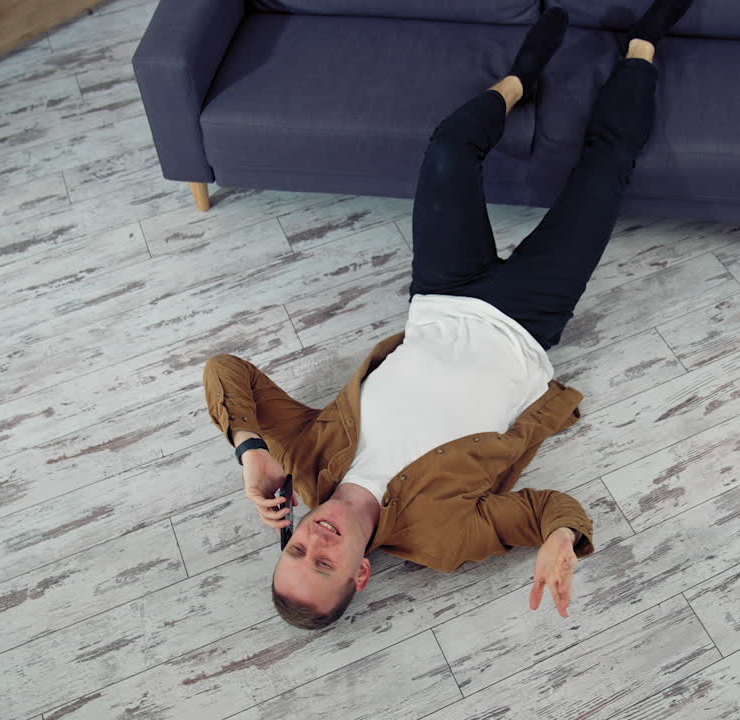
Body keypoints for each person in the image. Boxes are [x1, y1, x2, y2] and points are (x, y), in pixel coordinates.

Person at [204, 0, 692, 631]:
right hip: (526, 319)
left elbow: (226, 370)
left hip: (441, 294)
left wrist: (249, 451)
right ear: (360, 573)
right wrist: (561, 539)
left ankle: (522, 78)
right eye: (324, 564)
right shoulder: (443, 538)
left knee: (448, 146)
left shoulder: (303, 464)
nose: (315, 542)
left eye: (297, 549)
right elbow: (547, 507)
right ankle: (644, 45)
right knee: (605, 169)